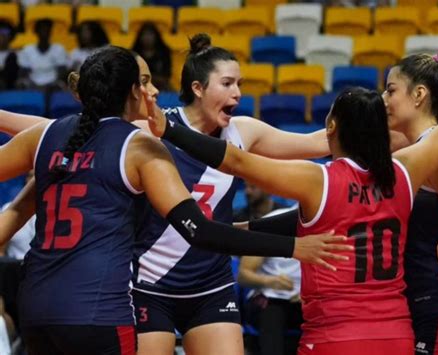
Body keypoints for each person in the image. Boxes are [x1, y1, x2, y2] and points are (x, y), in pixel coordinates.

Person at [0, 34, 338, 355]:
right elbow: (61, 127)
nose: (237, 93)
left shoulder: (244, 131)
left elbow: (318, 143)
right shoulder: (147, 132)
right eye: (227, 83)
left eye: (240, 84)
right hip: (149, 284)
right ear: (198, 88)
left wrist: (380, 131)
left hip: (210, 284)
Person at [144, 84, 438, 355]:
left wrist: (170, 129)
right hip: (395, 334)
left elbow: (238, 162)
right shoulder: (405, 172)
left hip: (334, 336)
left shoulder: (318, 180)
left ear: (331, 126)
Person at [383, 52, 438, 354]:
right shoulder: (412, 148)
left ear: (419, 95)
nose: (384, 99)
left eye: (391, 90)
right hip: (421, 303)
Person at [238, 206, 303, 355]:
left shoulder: (333, 225)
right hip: (270, 298)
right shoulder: (274, 222)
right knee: (272, 312)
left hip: (306, 300)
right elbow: (243, 274)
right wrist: (270, 281)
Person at [132, 22, 171, 92]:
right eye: (144, 34)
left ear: (156, 36)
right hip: (139, 87)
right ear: (140, 37)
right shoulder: (134, 54)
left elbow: (166, 76)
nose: (147, 38)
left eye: (150, 34)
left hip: (160, 88)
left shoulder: (164, 53)